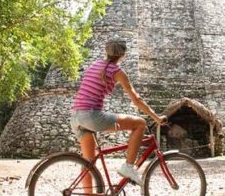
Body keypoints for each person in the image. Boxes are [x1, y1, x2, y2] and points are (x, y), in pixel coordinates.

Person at [71, 40, 166, 188]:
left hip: (76, 117)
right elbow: (137, 99)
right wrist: (156, 118)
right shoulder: (117, 71)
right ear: (122, 55)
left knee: (88, 163)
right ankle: (128, 167)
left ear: (106, 51)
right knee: (139, 124)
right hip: (92, 117)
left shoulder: (95, 64)